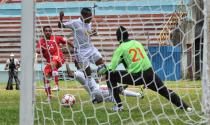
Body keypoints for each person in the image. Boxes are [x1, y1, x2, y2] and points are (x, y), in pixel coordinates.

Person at [98, 26, 193, 112]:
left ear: (118, 38)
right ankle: (187, 107)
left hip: (137, 76)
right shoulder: (137, 43)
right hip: (150, 74)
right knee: (165, 91)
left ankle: (118, 105)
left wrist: (101, 69)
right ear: (128, 35)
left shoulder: (121, 48)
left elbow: (111, 68)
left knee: (110, 75)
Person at [58, 8, 104, 96]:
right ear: (83, 16)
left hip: (91, 48)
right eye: (89, 17)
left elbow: (85, 33)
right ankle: (94, 93)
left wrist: (92, 33)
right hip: (81, 52)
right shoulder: (74, 23)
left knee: (103, 66)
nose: (91, 18)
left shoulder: (89, 23)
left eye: (91, 16)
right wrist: (61, 18)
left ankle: (101, 84)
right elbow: (60, 26)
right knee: (88, 74)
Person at [66, 63, 144, 103]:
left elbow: (92, 81)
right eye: (80, 62)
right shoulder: (79, 73)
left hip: (97, 89)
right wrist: (66, 63)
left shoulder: (84, 71)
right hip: (97, 90)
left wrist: (100, 79)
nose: (82, 63)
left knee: (113, 95)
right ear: (78, 64)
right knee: (115, 93)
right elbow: (70, 74)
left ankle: (138, 95)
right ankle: (118, 90)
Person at [36, 26, 73, 100]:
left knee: (53, 63)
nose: (48, 32)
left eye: (49, 31)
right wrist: (41, 49)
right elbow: (37, 50)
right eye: (46, 31)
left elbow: (67, 41)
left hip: (59, 57)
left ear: (51, 32)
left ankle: (56, 85)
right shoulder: (41, 41)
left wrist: (75, 48)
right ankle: (49, 96)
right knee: (45, 76)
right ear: (43, 32)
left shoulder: (57, 38)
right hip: (51, 62)